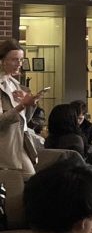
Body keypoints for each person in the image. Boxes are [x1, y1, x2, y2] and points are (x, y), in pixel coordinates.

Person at [0, 38, 42, 174]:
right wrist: (22, 105)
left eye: (21, 60)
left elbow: (26, 120)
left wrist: (31, 104)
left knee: (29, 180)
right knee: (22, 184)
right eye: (14, 59)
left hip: (21, 141)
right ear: (2, 61)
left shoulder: (15, 84)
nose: (19, 64)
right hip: (6, 145)